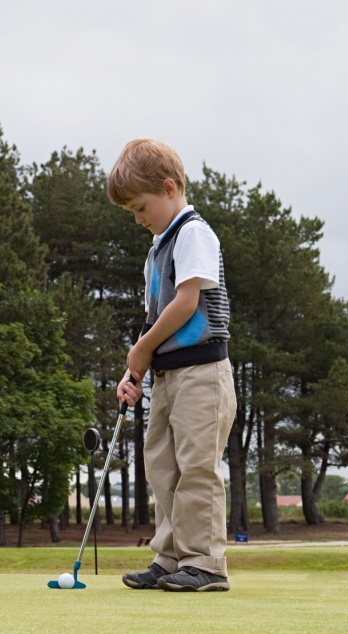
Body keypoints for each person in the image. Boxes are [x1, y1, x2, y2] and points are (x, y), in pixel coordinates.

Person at [109, 138, 237, 592]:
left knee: (195, 467)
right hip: (166, 377)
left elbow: (186, 303)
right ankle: (169, 558)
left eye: (141, 207)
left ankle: (205, 562)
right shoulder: (158, 248)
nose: (139, 218)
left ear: (168, 188)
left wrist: (142, 349)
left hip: (203, 374)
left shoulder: (193, 233)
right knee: (162, 467)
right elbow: (154, 319)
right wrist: (136, 368)